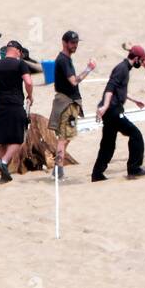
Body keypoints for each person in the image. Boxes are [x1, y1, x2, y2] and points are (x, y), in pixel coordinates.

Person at [92, 45, 145, 182]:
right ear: (136, 58)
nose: (141, 63)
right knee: (135, 134)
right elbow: (110, 88)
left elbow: (120, 90)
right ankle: (134, 168)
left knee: (108, 144)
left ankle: (97, 174)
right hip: (113, 111)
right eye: (140, 60)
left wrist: (134, 100)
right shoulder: (122, 69)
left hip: (111, 111)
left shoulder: (124, 68)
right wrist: (105, 106)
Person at [0, 40, 35, 183]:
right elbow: (28, 82)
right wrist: (30, 95)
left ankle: (3, 173)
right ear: (17, 51)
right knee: (19, 138)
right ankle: (3, 162)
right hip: (14, 104)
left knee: (3, 140)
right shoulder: (19, 64)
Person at [48, 30, 96, 180]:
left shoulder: (66, 59)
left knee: (67, 136)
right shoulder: (63, 60)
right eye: (72, 43)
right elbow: (74, 81)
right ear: (65, 43)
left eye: (76, 43)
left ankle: (58, 167)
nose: (75, 45)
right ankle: (58, 171)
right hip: (67, 103)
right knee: (64, 137)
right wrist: (89, 68)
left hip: (68, 103)